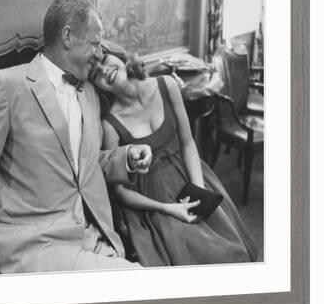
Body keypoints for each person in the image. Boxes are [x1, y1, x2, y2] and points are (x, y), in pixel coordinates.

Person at [0, 0, 152, 276]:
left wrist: (125, 159)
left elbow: (80, 166)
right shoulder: (6, 87)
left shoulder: (89, 93)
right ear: (68, 36)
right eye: (95, 43)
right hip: (35, 247)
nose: (100, 53)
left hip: (96, 239)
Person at [90, 51, 258, 266]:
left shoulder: (166, 85)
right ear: (97, 87)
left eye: (105, 60)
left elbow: (188, 143)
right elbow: (121, 192)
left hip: (189, 177)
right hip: (152, 202)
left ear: (120, 58)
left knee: (230, 251)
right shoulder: (110, 124)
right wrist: (168, 209)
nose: (105, 71)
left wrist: (199, 192)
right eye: (96, 74)